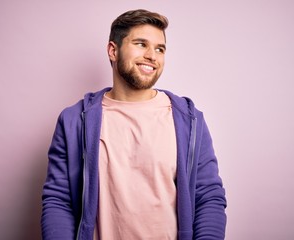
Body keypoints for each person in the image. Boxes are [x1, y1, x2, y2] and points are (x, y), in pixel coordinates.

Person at [41, 9, 227, 240]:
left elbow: (208, 196)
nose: (152, 55)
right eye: (141, 44)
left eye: (160, 48)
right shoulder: (74, 121)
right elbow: (59, 199)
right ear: (113, 50)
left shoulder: (190, 120)